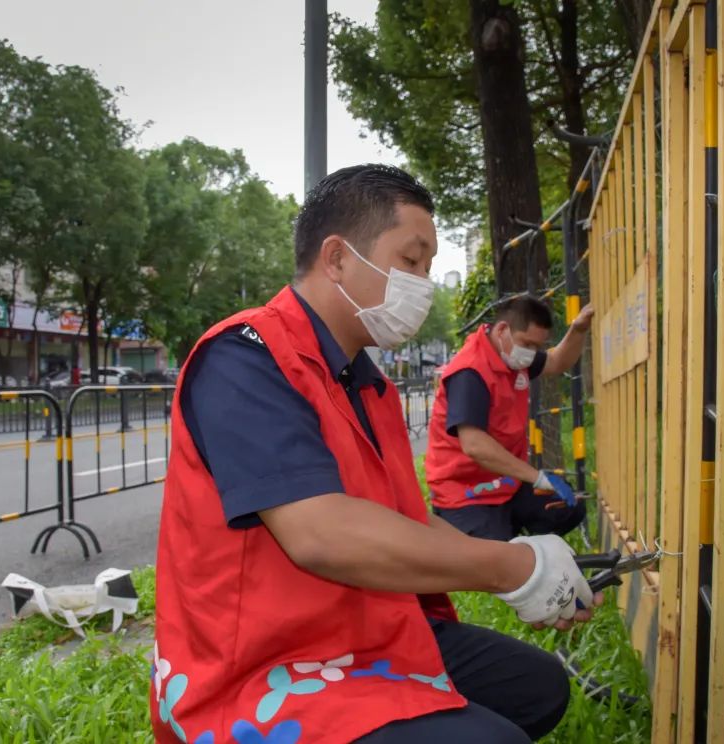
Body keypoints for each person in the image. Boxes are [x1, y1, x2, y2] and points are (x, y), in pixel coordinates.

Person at [152, 164, 602, 744]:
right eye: (411, 261)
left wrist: (521, 563)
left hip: (360, 627)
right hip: (260, 662)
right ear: (337, 258)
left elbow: (405, 518)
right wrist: (507, 568)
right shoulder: (248, 356)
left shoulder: (369, 386)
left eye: (429, 267)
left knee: (537, 687)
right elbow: (321, 535)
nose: (423, 283)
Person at [425, 296, 594, 542]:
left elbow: (558, 361)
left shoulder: (513, 357)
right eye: (529, 344)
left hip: (505, 482)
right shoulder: (470, 372)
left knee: (569, 506)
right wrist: (536, 477)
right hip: (465, 493)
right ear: (503, 330)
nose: (533, 353)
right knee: (495, 565)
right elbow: (474, 445)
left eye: (538, 346)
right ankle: (504, 545)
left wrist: (578, 329)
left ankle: (521, 543)